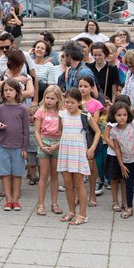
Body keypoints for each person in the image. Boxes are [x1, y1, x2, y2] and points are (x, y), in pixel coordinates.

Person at [57, 88, 97, 225]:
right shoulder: (62, 115)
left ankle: (83, 214)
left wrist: (91, 148)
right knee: (67, 183)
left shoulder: (85, 115)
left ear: (79, 102)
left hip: (78, 151)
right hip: (65, 151)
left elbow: (97, 132)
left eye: (72, 102)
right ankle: (71, 211)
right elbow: (61, 131)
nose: (69, 105)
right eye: (67, 102)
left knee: (79, 182)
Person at [0, 79, 31, 211]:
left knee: (17, 173)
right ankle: (8, 200)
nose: (8, 92)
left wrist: (25, 147)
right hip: (3, 146)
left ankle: (16, 200)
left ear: (17, 92)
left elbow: (26, 130)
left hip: (18, 147)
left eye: (11, 90)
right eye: (6, 90)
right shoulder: (0, 108)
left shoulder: (23, 109)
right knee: (5, 173)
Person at [33, 85, 64, 216]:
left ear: (58, 99)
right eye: (47, 98)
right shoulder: (41, 111)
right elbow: (36, 130)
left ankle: (54, 203)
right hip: (44, 142)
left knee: (55, 174)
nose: (49, 101)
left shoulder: (62, 112)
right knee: (44, 174)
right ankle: (40, 204)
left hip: (57, 142)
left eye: (52, 98)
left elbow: (64, 131)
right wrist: (41, 145)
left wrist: (58, 144)